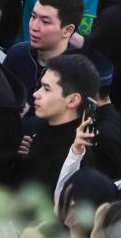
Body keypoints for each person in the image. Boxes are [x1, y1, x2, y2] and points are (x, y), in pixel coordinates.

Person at [3, 0, 82, 128]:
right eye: (33, 17)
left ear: (67, 30)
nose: (34, 27)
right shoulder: (17, 54)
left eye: (45, 22)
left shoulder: (77, 74)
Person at [21, 54, 100, 191]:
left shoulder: (76, 156)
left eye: (46, 89)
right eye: (40, 86)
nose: (36, 94)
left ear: (73, 100)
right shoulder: (44, 128)